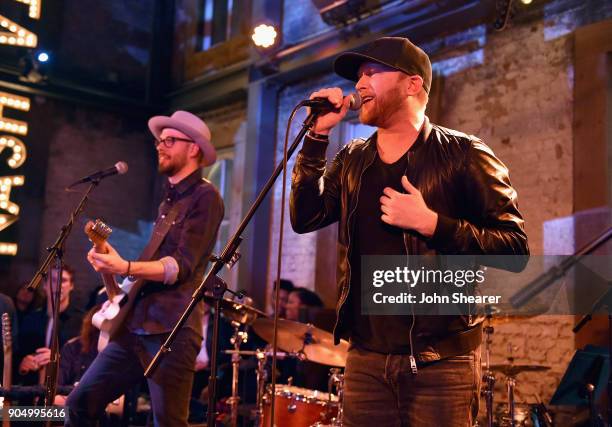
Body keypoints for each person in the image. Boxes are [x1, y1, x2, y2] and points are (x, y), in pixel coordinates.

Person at [290, 37, 529, 426]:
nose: (359, 85)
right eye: (358, 77)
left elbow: (514, 249)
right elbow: (305, 217)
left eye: (371, 73)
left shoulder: (464, 154)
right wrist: (316, 138)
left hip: (441, 363)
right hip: (365, 359)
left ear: (413, 84)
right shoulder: (352, 159)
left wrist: (432, 224)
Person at [65, 110, 225, 427]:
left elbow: (181, 266)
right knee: (78, 404)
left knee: (167, 423)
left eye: (169, 140)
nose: (160, 146)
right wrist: (109, 265)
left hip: (172, 332)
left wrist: (124, 264)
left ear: (193, 148)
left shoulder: (206, 197)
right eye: (158, 141)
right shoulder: (168, 201)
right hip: (137, 325)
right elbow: (149, 268)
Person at [15, 265, 81, 387]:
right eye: (54, 280)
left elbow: (86, 361)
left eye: (64, 280)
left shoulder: (80, 322)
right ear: (45, 285)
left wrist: (59, 358)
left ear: (71, 286)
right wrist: (22, 364)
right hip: (30, 393)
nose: (59, 285)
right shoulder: (31, 319)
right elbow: (17, 356)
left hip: (64, 393)